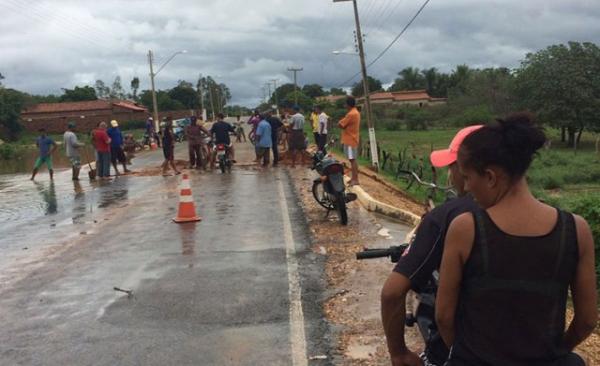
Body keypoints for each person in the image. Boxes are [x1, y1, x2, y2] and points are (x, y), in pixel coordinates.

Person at [436, 113, 597, 366]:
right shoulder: (576, 229)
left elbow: (444, 316)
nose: (465, 188)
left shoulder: (466, 228)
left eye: (467, 177)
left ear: (490, 177)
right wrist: (555, 351)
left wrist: (469, 354)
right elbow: (587, 320)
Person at [380, 125, 483, 366]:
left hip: (460, 353)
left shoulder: (446, 216)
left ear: (465, 168)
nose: (450, 173)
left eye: (452, 165)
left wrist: (399, 353)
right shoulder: (552, 221)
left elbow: (392, 293)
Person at [338, 96, 361, 185]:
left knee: (352, 160)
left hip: (350, 139)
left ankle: (355, 179)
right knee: (352, 159)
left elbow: (341, 124)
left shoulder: (351, 114)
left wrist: (340, 123)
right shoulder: (355, 112)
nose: (344, 105)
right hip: (352, 139)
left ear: (348, 104)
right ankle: (354, 178)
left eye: (345, 104)